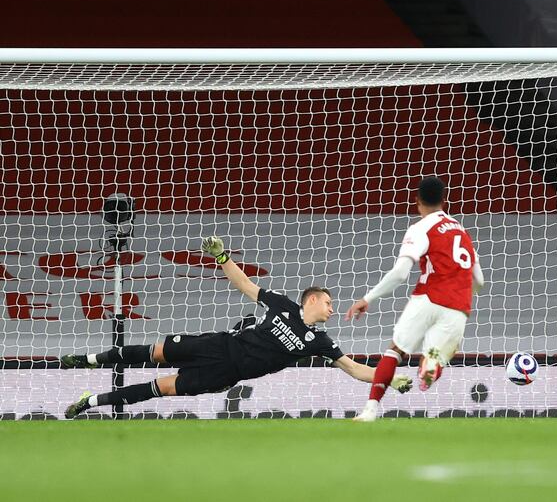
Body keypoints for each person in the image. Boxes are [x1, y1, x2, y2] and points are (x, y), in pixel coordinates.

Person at [61, 236, 411, 418]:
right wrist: (222, 257)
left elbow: (354, 370)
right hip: (218, 346)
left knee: (160, 388)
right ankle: (89, 358)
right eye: (329, 303)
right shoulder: (282, 304)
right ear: (312, 300)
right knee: (155, 352)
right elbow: (245, 285)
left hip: (225, 375)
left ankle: (90, 401)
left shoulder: (320, 342)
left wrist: (390, 379)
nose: (333, 309)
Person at [346, 176, 485, 422]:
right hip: (458, 306)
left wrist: (368, 297)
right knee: (434, 356)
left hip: (429, 297)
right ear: (444, 201)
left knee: (395, 350)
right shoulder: (462, 231)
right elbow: (479, 280)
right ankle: (431, 365)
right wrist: (461, 298)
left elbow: (400, 273)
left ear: (417, 201)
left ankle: (370, 410)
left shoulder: (421, 228)